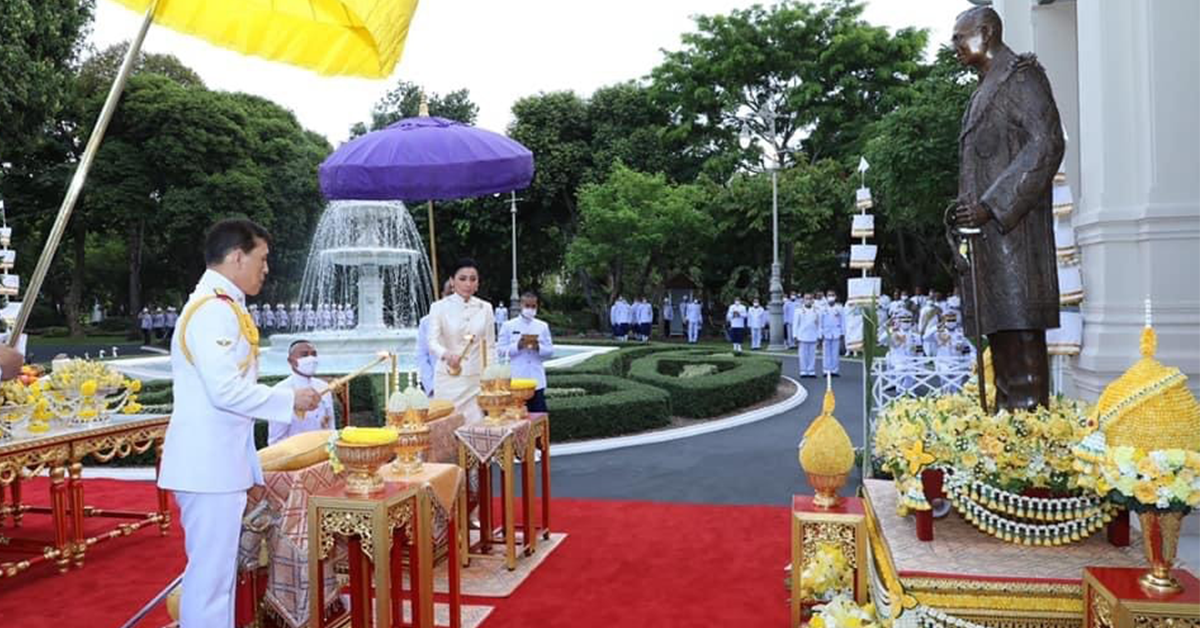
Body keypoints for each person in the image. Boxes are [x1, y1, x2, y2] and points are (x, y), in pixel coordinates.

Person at [158, 218, 320, 628]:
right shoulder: (213, 311)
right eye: (261, 259)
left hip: (218, 465)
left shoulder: (223, 305)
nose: (266, 268)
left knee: (217, 580)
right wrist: (290, 399)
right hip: (206, 467)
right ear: (236, 257)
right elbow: (225, 391)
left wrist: (248, 467)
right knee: (210, 582)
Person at [950, 5, 1064, 411]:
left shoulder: (1023, 77)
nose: (954, 46)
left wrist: (992, 205)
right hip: (989, 243)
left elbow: (1046, 145)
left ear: (987, 32)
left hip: (1015, 238)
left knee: (1021, 345)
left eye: (959, 37)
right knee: (1002, 346)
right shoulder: (983, 89)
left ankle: (1029, 444)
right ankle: (1007, 439)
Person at [427, 258, 496, 424]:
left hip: (475, 380)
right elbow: (431, 341)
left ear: (478, 283)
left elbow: (490, 346)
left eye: (473, 279)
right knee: (446, 427)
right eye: (462, 279)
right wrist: (446, 354)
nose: (468, 284)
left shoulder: (485, 308)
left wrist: (491, 377)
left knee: (475, 427)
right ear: (452, 281)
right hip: (448, 378)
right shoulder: (438, 307)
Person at [268, 340, 334, 445]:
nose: (311, 359)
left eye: (313, 354)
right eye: (304, 355)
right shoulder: (280, 391)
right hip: (293, 455)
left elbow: (330, 427)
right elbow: (276, 439)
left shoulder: (323, 387)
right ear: (291, 361)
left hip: (323, 452)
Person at [498, 292, 555, 412]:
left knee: (539, 416)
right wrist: (517, 346)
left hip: (537, 380)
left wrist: (538, 347)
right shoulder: (508, 325)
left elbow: (550, 351)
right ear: (521, 305)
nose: (530, 309)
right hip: (517, 380)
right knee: (517, 416)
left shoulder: (542, 326)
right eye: (527, 306)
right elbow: (500, 350)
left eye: (533, 306)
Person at [416, 280, 453, 397]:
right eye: (448, 295)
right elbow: (421, 356)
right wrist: (431, 386)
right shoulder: (427, 322)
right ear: (442, 296)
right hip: (437, 388)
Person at [793, 294, 820, 377]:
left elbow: (819, 324)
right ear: (803, 300)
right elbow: (795, 324)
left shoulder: (817, 311)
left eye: (810, 298)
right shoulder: (798, 310)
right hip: (802, 335)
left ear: (812, 300)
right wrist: (795, 336)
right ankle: (803, 370)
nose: (808, 300)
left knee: (812, 355)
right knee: (803, 355)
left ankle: (811, 370)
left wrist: (819, 336)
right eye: (806, 298)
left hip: (813, 335)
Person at [820, 291, 844, 376]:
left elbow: (843, 321)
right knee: (826, 353)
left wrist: (842, 332)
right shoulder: (823, 308)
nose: (831, 297)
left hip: (836, 332)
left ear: (836, 296)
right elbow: (820, 322)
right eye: (829, 295)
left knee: (835, 352)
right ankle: (826, 370)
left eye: (832, 295)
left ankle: (834, 370)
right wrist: (820, 333)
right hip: (826, 332)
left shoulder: (839, 308)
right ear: (826, 297)